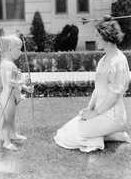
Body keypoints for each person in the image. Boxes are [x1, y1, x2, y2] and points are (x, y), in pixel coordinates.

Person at [54, 18, 131, 152]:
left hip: (113, 115)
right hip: (100, 112)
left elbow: (113, 97)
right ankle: (113, 135)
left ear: (106, 36)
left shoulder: (119, 61)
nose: (95, 38)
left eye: (97, 35)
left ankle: (107, 134)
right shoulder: (103, 60)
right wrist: (89, 109)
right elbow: (98, 90)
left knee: (76, 133)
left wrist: (94, 113)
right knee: (65, 131)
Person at [0, 35, 34, 151]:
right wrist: (22, 80)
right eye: (18, 49)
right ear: (10, 50)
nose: (21, 52)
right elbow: (10, 82)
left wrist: (26, 88)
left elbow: (16, 82)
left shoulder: (10, 64)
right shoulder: (8, 65)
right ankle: (6, 142)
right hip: (7, 97)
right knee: (7, 119)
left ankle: (13, 134)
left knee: (11, 118)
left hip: (11, 97)